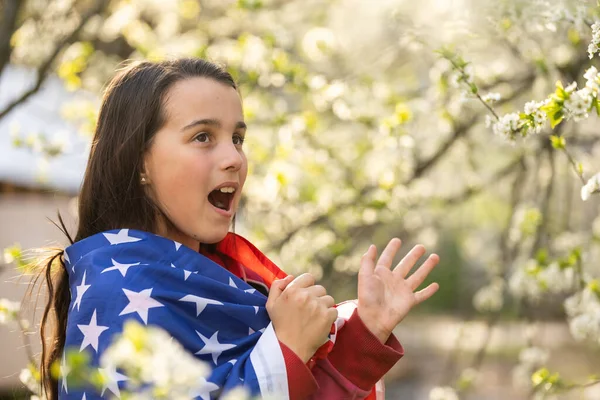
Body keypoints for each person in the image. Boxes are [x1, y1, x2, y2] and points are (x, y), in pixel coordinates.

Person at [37, 58, 440, 400]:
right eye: (202, 137)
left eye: (238, 138)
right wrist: (286, 349)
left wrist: (365, 332)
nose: (234, 157)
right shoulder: (113, 295)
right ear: (139, 161)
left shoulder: (232, 285)